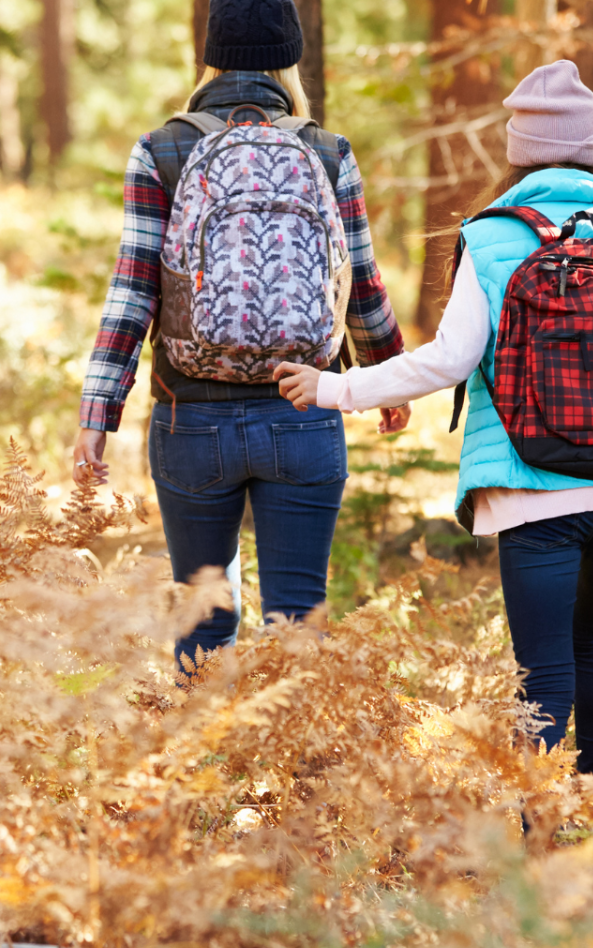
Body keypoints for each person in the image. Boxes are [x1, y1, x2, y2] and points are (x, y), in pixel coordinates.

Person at [276, 61, 593, 775]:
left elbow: (448, 361)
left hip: (532, 488)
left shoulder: (491, 238)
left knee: (542, 667)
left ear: (519, 152)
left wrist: (334, 389)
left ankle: (539, 838)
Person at [70, 0, 410, 671]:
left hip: (189, 416)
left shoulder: (163, 148)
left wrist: (95, 415)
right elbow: (361, 282)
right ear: (291, 61)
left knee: (201, 617)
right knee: (297, 623)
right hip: (304, 409)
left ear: (211, 57)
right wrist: (384, 380)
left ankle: (208, 769)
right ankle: (297, 772)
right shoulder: (327, 149)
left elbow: (133, 291)